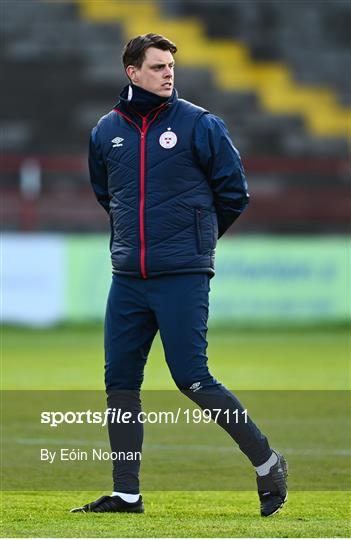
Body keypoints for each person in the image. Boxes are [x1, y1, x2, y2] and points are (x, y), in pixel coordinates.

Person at [70, 33, 287, 517]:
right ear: (132, 72)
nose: (168, 72)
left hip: (183, 273)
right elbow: (109, 195)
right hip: (127, 275)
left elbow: (235, 192)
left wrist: (195, 242)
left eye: (171, 65)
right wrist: (137, 243)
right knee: (120, 383)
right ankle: (127, 494)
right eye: (157, 66)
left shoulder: (199, 124)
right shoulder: (105, 131)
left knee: (192, 378)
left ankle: (267, 460)